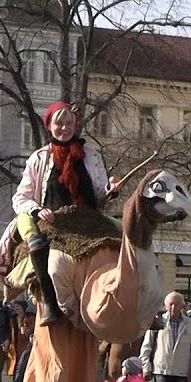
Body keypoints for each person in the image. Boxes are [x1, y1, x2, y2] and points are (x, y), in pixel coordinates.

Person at [9, 101, 118, 325]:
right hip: (56, 225)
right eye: (59, 123)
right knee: (56, 265)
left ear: (75, 125)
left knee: (132, 237)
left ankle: (142, 307)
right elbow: (20, 197)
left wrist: (111, 189)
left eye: (69, 123)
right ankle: (56, 305)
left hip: (88, 222)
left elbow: (99, 194)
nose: (65, 128)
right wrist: (38, 210)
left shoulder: (91, 156)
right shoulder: (39, 158)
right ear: (50, 126)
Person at [9, 300, 34, 382]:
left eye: (18, 306)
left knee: (22, 376)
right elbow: (9, 332)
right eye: (15, 307)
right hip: (15, 352)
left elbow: (34, 330)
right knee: (16, 377)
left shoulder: (30, 318)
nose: (16, 309)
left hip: (26, 350)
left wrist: (28, 332)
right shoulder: (13, 319)